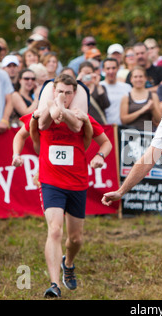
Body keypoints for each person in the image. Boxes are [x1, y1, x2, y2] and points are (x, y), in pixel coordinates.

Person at [30, 74, 110, 298]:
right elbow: (23, 132)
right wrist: (17, 153)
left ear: (74, 94)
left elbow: (106, 142)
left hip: (76, 183)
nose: (63, 96)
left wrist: (100, 157)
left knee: (75, 239)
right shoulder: (44, 114)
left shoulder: (82, 119)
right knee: (54, 230)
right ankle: (54, 285)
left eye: (68, 92)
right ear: (53, 91)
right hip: (51, 181)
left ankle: (69, 262)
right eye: (60, 92)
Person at [120, 66, 161, 131]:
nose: (138, 79)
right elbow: (123, 120)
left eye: (141, 76)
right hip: (131, 132)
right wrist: (143, 110)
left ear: (145, 78)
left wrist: (153, 108)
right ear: (131, 79)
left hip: (148, 130)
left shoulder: (153, 96)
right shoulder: (126, 97)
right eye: (135, 77)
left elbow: (159, 119)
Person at [100, 57, 132, 125]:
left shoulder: (127, 87)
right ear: (103, 70)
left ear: (118, 69)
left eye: (113, 68)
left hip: (124, 128)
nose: (111, 71)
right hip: (105, 128)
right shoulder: (99, 87)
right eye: (108, 68)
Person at [77, 61, 109, 125]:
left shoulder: (100, 87)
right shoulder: (77, 88)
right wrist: (78, 81)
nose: (87, 76)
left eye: (89, 73)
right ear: (79, 73)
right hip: (83, 124)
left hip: (99, 124)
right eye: (84, 74)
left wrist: (97, 84)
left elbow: (106, 104)